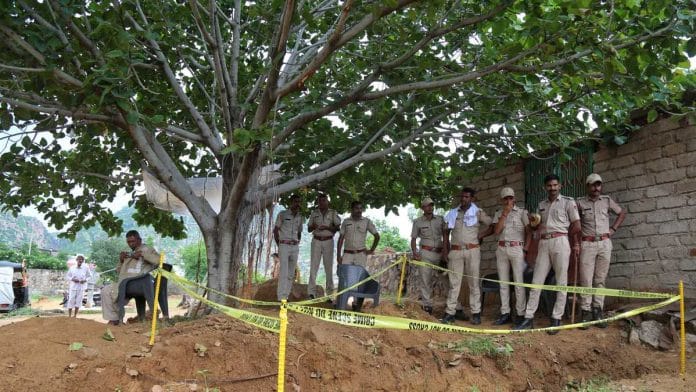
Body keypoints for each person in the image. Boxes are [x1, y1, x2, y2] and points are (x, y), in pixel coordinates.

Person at [515, 174, 580, 334]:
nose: (552, 188)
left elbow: (577, 224)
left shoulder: (568, 202)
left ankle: (556, 319)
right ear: (545, 187)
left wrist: (565, 235)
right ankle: (528, 318)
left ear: (560, 186)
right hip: (544, 243)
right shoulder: (541, 205)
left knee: (561, 282)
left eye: (555, 185)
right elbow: (536, 226)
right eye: (549, 185)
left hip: (560, 242)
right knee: (536, 281)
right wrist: (533, 223)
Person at [576, 173, 626, 328]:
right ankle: (585, 312)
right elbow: (575, 224)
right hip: (587, 244)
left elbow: (621, 213)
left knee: (600, 280)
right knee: (586, 280)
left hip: (604, 243)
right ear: (587, 186)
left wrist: (613, 229)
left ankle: (598, 311)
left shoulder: (606, 200)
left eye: (598, 184)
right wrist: (576, 243)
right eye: (593, 185)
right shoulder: (579, 203)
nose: (596, 187)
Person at [441, 187, 493, 325]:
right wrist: (445, 251)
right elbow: (445, 232)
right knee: (454, 283)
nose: (463, 199)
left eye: (467, 197)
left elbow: (492, 224)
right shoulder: (452, 213)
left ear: (472, 198)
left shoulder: (478, 212)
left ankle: (476, 313)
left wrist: (481, 235)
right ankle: (450, 312)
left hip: (472, 251)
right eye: (462, 197)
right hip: (455, 251)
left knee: (474, 283)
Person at [101, 230, 161, 325]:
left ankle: (117, 319)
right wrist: (121, 260)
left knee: (113, 293)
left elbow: (158, 261)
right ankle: (114, 319)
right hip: (124, 284)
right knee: (106, 290)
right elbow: (119, 271)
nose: (131, 244)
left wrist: (142, 254)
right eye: (128, 242)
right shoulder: (129, 254)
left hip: (138, 283)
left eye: (133, 241)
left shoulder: (147, 249)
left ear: (139, 240)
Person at [491, 187, 531, 326]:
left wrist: (525, 249)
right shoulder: (498, 213)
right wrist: (505, 214)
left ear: (514, 198)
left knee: (519, 283)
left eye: (510, 198)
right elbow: (496, 231)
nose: (508, 201)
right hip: (502, 248)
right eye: (505, 198)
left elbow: (529, 232)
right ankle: (505, 313)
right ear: (502, 200)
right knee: (503, 283)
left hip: (517, 248)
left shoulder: (522, 212)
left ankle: (520, 314)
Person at [410, 197, 445, 315]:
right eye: (427, 205)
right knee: (425, 280)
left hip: (440, 253)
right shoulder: (417, 222)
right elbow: (413, 239)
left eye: (431, 205)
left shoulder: (440, 220)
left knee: (447, 279)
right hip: (425, 253)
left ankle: (455, 307)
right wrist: (415, 252)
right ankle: (427, 307)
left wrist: (446, 252)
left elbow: (446, 237)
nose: (430, 207)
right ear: (422, 208)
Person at [307, 193, 341, 300]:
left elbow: (338, 227)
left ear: (327, 202)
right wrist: (314, 226)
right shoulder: (314, 213)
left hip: (328, 241)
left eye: (324, 200)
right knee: (313, 267)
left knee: (328, 268)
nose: (321, 202)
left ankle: (330, 295)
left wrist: (327, 227)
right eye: (320, 201)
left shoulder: (332, 213)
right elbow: (308, 229)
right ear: (317, 202)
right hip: (316, 240)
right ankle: (311, 293)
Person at [274, 194, 304, 301]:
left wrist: (297, 242)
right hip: (284, 245)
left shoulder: (300, 217)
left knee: (291, 273)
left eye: (299, 202)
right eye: (295, 201)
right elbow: (275, 230)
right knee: (283, 272)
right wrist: (280, 244)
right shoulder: (283, 214)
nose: (297, 204)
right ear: (291, 203)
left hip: (294, 246)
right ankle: (280, 297)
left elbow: (300, 231)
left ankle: (286, 296)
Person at [337, 201, 380, 267]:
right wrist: (338, 255)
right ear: (351, 209)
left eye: (360, 208)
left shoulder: (366, 221)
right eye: (356, 208)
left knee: (359, 276)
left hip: (361, 255)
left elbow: (377, 236)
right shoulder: (346, 222)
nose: (359, 210)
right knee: (346, 276)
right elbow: (341, 239)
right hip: (347, 255)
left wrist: (371, 250)